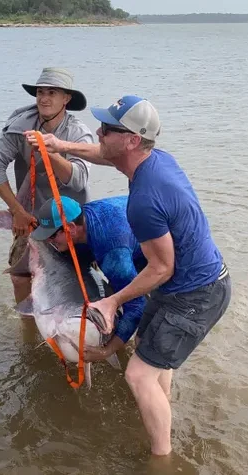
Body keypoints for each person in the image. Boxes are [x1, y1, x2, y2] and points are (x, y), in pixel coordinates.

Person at [25, 95, 232, 456]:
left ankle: (161, 458)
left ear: (133, 140)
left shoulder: (141, 208)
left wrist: (108, 338)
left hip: (196, 294)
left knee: (136, 373)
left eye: (108, 129)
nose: (99, 133)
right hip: (180, 284)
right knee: (150, 365)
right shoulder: (154, 159)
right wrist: (60, 145)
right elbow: (103, 154)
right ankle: (159, 410)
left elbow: (159, 271)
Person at [0, 67, 94, 304]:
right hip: (30, 215)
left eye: (52, 93)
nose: (44, 98)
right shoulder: (20, 126)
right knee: (20, 277)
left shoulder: (78, 133)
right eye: (40, 92)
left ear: (66, 98)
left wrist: (50, 152)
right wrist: (17, 211)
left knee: (75, 278)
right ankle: (27, 329)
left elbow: (78, 179)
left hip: (70, 218)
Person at [30, 195, 147, 360]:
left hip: (164, 248)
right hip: (131, 224)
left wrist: (107, 351)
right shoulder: (83, 218)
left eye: (52, 236)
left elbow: (137, 305)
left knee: (146, 323)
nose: (49, 241)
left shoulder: (113, 253)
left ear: (70, 227)